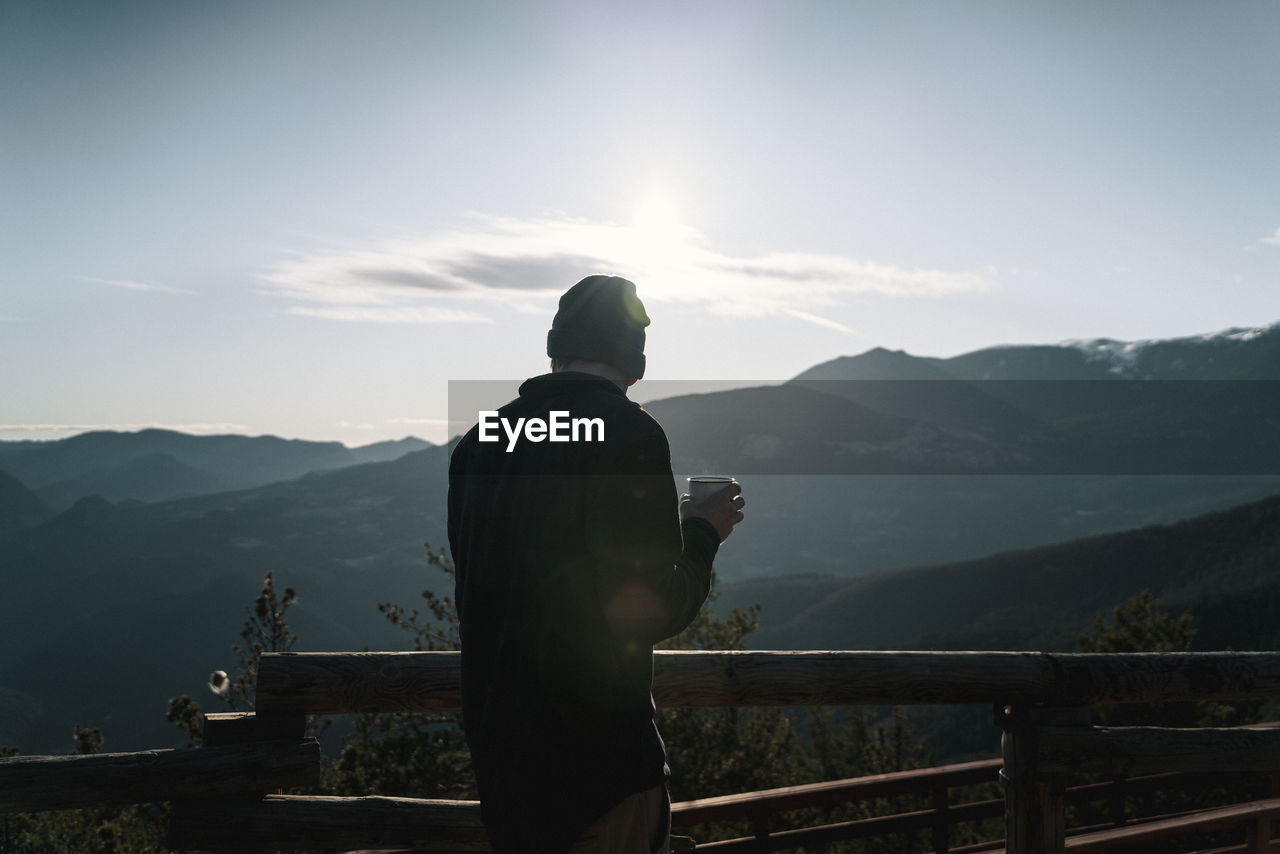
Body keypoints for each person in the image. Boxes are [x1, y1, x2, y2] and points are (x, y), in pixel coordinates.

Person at [448, 275, 745, 853]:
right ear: (634, 361)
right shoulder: (628, 433)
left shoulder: (482, 440)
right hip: (598, 771)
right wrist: (704, 533)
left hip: (504, 769)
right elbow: (649, 607)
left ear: (557, 349)